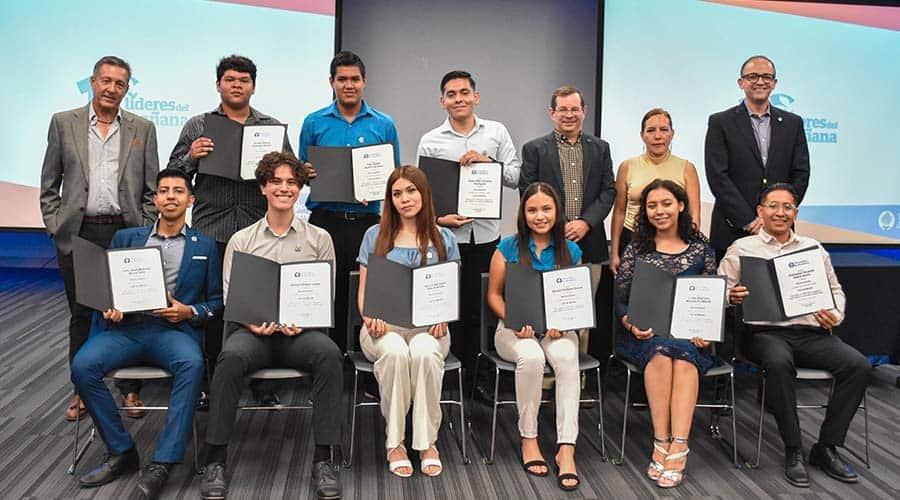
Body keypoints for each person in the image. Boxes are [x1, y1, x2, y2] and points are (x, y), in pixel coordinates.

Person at [200, 152, 343, 500]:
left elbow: (327, 294)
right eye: (276, 181)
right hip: (253, 334)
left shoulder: (319, 239)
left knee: (330, 354)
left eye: (291, 182)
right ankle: (215, 459)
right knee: (229, 358)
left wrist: (305, 320)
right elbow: (232, 295)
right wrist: (251, 321)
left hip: (301, 335)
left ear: (300, 189)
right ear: (263, 187)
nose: (284, 188)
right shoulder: (242, 240)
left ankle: (324, 458)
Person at [70, 168, 221, 498]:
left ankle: (163, 462)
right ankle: (122, 450)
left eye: (178, 191)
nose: (170, 196)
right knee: (83, 367)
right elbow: (106, 286)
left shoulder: (205, 246)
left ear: (190, 200)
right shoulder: (128, 238)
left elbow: (216, 302)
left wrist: (189, 311)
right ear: (154, 200)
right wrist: (109, 304)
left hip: (174, 331)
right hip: (126, 329)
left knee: (192, 365)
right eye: (164, 190)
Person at [719, 183, 869, 488]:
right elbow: (718, 288)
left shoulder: (812, 248)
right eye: (773, 206)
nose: (780, 212)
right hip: (763, 333)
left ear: (795, 213)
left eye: (787, 207)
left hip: (811, 333)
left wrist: (835, 314)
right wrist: (730, 296)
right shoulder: (742, 248)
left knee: (858, 366)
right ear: (760, 212)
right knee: (777, 362)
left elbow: (835, 290)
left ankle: (825, 447)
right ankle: (793, 449)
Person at [168, 54, 293, 406]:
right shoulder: (198, 125)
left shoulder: (271, 126)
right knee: (212, 308)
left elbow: (289, 172)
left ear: (253, 86)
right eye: (230, 79)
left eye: (244, 80)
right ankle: (208, 382)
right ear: (218, 84)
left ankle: (260, 383)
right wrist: (191, 155)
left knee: (261, 304)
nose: (237, 85)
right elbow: (174, 176)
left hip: (258, 228)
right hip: (211, 227)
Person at [40, 55, 159, 421]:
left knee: (132, 312)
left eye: (119, 83)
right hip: (80, 231)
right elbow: (49, 185)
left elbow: (151, 188)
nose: (111, 89)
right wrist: (55, 224)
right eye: (105, 81)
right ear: (93, 82)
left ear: (127, 89)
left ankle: (131, 391)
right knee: (82, 313)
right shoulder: (64, 123)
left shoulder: (143, 127)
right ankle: (82, 390)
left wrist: (144, 226)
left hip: (126, 232)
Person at [416, 70, 520, 384]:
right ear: (442, 101)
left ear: (476, 96)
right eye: (451, 94)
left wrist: (490, 163)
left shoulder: (496, 132)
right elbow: (422, 193)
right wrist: (438, 220)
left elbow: (516, 177)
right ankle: (450, 377)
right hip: (447, 239)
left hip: (487, 237)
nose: (458, 98)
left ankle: (479, 380)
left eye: (464, 92)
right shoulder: (431, 140)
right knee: (449, 309)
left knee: (481, 310)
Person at [356, 166, 460, 478]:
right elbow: (364, 292)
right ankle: (395, 442)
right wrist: (370, 315)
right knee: (396, 352)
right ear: (390, 199)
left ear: (424, 193)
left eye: (411, 191)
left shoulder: (444, 238)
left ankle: (427, 442)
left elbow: (450, 291)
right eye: (397, 193)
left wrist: (443, 315)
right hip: (382, 326)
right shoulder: (375, 235)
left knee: (425, 353)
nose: (405, 199)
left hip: (430, 328)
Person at [614, 179, 718, 488]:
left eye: (666, 204)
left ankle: (679, 446)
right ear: (644, 212)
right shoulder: (637, 248)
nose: (659, 211)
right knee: (660, 354)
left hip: (692, 335)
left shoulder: (700, 248)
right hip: (645, 334)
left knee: (684, 358)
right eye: (652, 206)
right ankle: (661, 441)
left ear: (681, 206)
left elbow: (711, 297)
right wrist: (631, 324)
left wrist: (707, 332)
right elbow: (621, 301)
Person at [299, 50, 400, 352]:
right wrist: (304, 171)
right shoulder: (313, 122)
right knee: (325, 291)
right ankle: (327, 358)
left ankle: (362, 355)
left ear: (364, 82)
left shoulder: (384, 124)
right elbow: (301, 171)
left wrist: (380, 183)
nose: (349, 85)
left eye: (354, 79)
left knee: (366, 292)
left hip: (367, 224)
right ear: (332, 82)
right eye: (342, 79)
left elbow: (395, 179)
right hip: (325, 221)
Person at [486, 182, 584, 491]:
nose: (539, 216)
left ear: (557, 212)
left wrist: (563, 322)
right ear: (523, 213)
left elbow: (574, 299)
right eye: (532, 210)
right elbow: (494, 295)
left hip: (557, 330)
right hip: (514, 330)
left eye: (546, 209)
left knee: (568, 358)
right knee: (531, 356)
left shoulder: (571, 250)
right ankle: (529, 437)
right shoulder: (508, 247)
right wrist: (512, 320)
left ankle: (566, 448)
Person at [705, 55, 810, 259]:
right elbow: (717, 176)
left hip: (779, 231)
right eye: (753, 76)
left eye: (766, 77)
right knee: (734, 291)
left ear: (774, 83)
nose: (760, 82)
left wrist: (778, 213)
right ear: (741, 82)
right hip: (732, 230)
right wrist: (750, 220)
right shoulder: (721, 122)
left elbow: (801, 173)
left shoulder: (793, 123)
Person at [610, 108, 701, 275]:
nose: (657, 136)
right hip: (632, 239)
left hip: (675, 242)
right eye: (650, 130)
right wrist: (614, 253)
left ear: (672, 134)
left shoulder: (687, 168)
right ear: (642, 135)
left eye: (664, 130)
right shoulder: (627, 166)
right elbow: (619, 212)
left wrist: (691, 251)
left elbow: (694, 214)